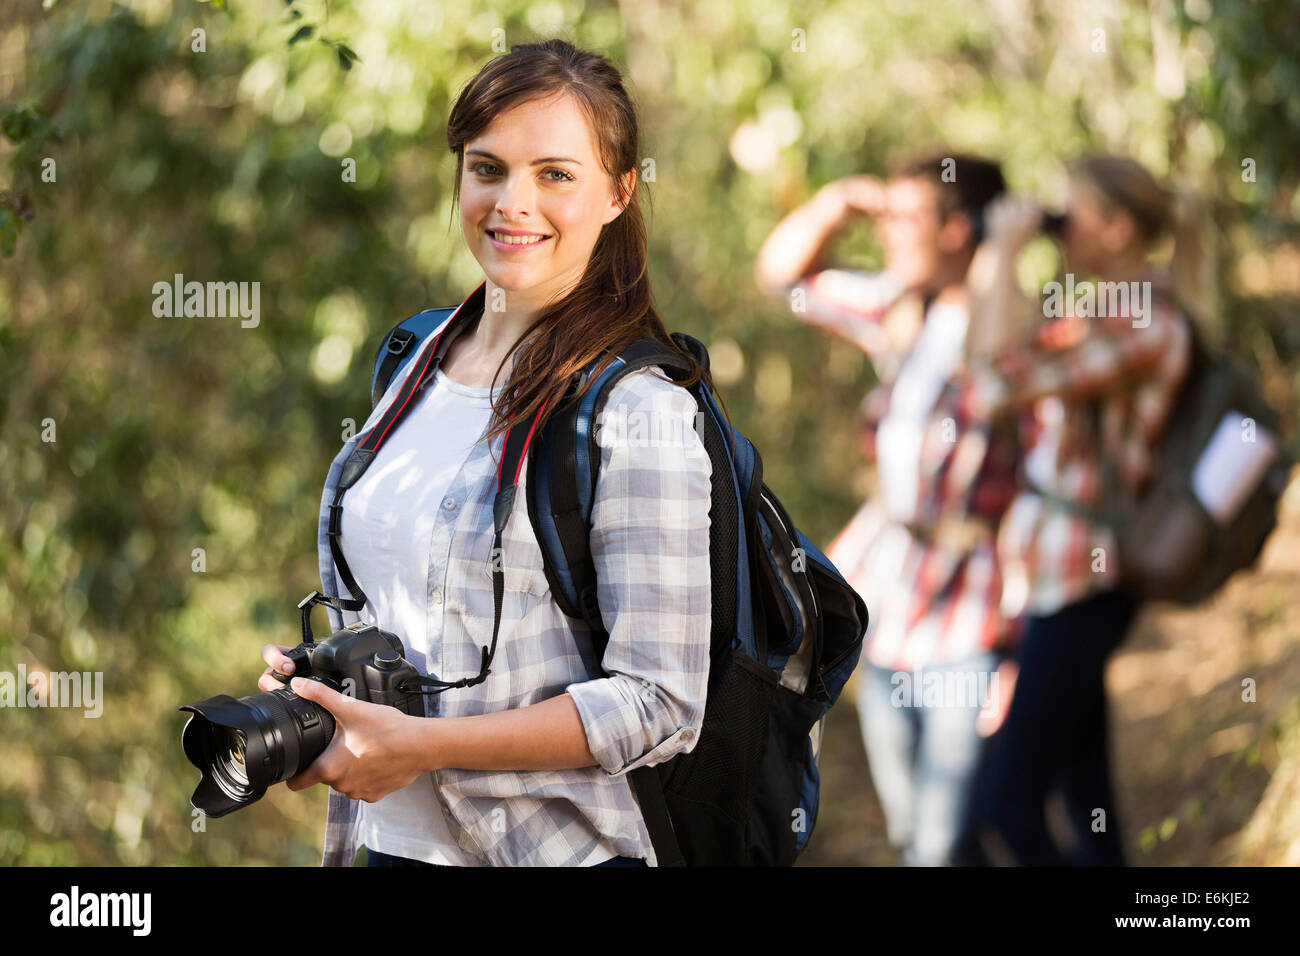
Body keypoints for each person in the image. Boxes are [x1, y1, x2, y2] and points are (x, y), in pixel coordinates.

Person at [257, 39, 715, 867]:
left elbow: (660, 703)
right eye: (488, 168)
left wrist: (427, 745)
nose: (513, 202)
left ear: (619, 192)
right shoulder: (416, 358)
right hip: (386, 844)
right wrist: (321, 684)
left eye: (556, 174)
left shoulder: (637, 411)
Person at [755, 154, 1017, 866]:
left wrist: (1021, 645)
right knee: (914, 830)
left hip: (976, 614)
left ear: (959, 231)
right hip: (895, 605)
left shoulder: (1013, 333)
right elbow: (782, 279)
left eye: (907, 220)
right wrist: (843, 198)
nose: (889, 234)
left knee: (946, 841)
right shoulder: (901, 312)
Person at [960, 155, 1200, 865]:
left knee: (1003, 808)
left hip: (1085, 586)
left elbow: (992, 386)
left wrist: (1004, 252)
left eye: (1074, 214)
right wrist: (1000, 260)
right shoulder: (1097, 311)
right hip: (1057, 581)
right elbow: (986, 369)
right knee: (1085, 797)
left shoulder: (1144, 320)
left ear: (1119, 227)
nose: (1059, 228)